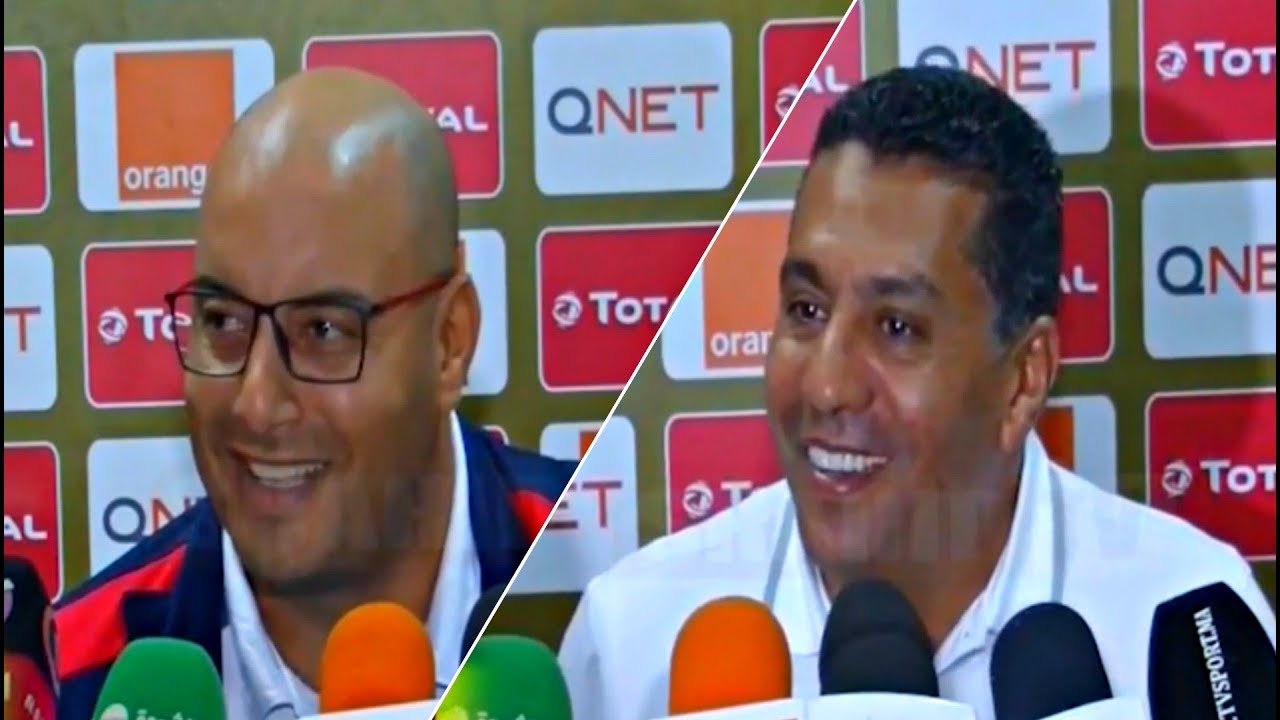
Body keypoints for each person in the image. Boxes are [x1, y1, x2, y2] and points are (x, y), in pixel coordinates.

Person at [556, 66, 1277, 719]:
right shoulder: (632, 646)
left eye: (897, 327)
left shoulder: (1186, 627)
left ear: (1023, 379)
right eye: (806, 310)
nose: (827, 386)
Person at [54, 68, 574, 717]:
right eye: (223, 321)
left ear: (449, 342)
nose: (256, 404)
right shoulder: (74, 680)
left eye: (323, 330)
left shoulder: (606, 601)